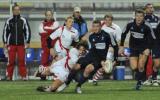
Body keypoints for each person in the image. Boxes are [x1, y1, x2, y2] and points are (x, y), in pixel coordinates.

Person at [119, 9, 156, 90]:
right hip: (133, 47)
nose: (139, 18)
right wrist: (121, 46)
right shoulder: (130, 24)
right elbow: (123, 33)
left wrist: (148, 49)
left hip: (144, 48)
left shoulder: (147, 25)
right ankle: (143, 74)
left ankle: (139, 83)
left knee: (141, 65)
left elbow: (153, 38)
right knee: (134, 67)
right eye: (137, 16)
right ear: (135, 16)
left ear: (143, 17)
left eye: (141, 16)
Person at [2, 5, 31, 81]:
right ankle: (9, 76)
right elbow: (5, 32)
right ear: (13, 11)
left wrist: (27, 42)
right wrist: (5, 42)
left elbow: (27, 31)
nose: (17, 11)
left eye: (18, 10)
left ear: (20, 10)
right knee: (10, 61)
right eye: (15, 10)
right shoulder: (9, 21)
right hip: (11, 44)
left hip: (21, 44)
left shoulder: (23, 20)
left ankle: (24, 76)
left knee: (22, 61)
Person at [92, 13, 122, 85]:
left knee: (106, 65)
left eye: (109, 20)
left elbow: (119, 41)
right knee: (100, 63)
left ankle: (95, 78)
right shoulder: (101, 25)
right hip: (99, 47)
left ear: (112, 20)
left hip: (110, 48)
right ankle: (94, 78)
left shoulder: (116, 28)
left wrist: (117, 49)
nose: (107, 22)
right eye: (106, 20)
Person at [38, 10, 59, 80]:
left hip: (54, 47)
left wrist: (46, 29)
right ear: (45, 16)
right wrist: (51, 31)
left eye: (50, 15)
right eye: (47, 15)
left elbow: (54, 28)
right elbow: (41, 32)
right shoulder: (41, 24)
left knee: (55, 62)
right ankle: (43, 76)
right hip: (44, 47)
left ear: (52, 15)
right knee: (44, 61)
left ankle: (55, 77)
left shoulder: (56, 23)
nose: (48, 16)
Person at [143, 3, 160, 86]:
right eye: (149, 8)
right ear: (145, 9)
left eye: (152, 7)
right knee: (145, 61)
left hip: (156, 43)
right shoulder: (142, 19)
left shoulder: (157, 19)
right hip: (145, 43)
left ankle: (154, 78)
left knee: (156, 63)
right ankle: (149, 78)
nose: (151, 9)